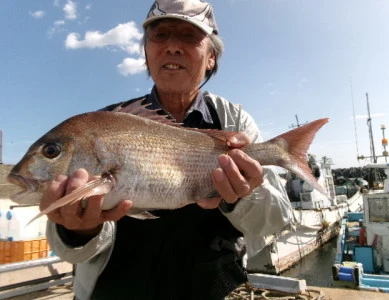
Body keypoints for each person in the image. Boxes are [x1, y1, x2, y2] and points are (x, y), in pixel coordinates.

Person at [41, 1, 292, 299]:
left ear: (211, 57)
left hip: (213, 289)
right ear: (146, 52)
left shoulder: (234, 122)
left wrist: (245, 195)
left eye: (189, 36)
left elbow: (278, 219)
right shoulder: (104, 125)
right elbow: (69, 252)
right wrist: (79, 230)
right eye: (160, 35)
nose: (172, 46)